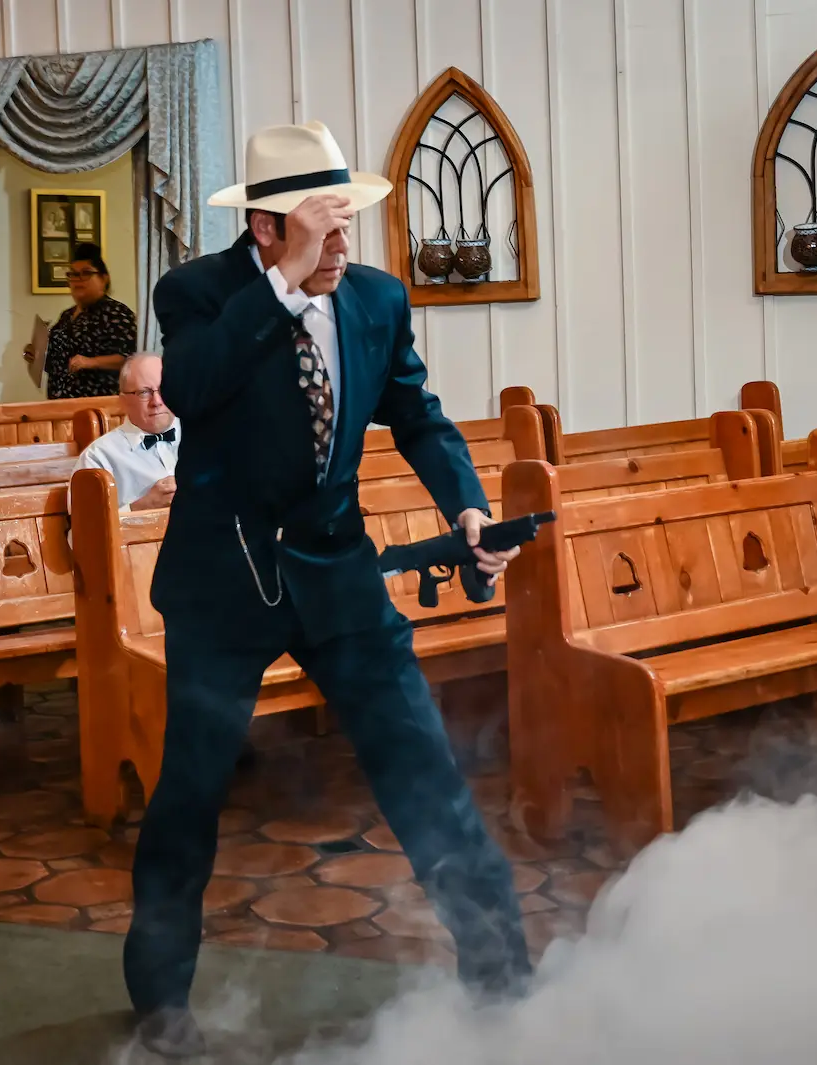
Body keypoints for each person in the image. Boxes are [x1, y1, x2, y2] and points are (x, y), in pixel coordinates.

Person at [123, 121, 532, 1058]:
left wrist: (468, 507)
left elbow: (418, 417)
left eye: (349, 223)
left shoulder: (377, 299)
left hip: (339, 571)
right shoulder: (198, 293)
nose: (345, 244)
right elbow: (192, 385)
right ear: (266, 229)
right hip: (224, 581)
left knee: (423, 768)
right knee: (190, 791)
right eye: (324, 227)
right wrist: (279, 289)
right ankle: (160, 1000)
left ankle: (504, 979)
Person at [23, 242, 137, 399]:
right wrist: (35, 356)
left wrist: (91, 362)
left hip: (98, 404)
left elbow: (130, 359)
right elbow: (58, 362)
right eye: (73, 274)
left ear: (103, 279)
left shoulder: (117, 313)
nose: (78, 279)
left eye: (86, 273)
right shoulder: (66, 316)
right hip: (60, 403)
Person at [72, 352, 178, 512]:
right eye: (144, 392)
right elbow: (84, 524)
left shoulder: (205, 437)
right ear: (123, 401)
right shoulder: (98, 457)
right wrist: (144, 505)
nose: (156, 402)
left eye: (163, 389)